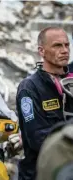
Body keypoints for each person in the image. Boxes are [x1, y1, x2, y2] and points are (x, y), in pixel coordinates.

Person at [16, 27, 71, 180]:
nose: (65, 50)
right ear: (41, 51)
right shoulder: (30, 87)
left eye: (67, 45)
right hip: (40, 172)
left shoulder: (70, 83)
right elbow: (36, 137)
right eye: (57, 45)